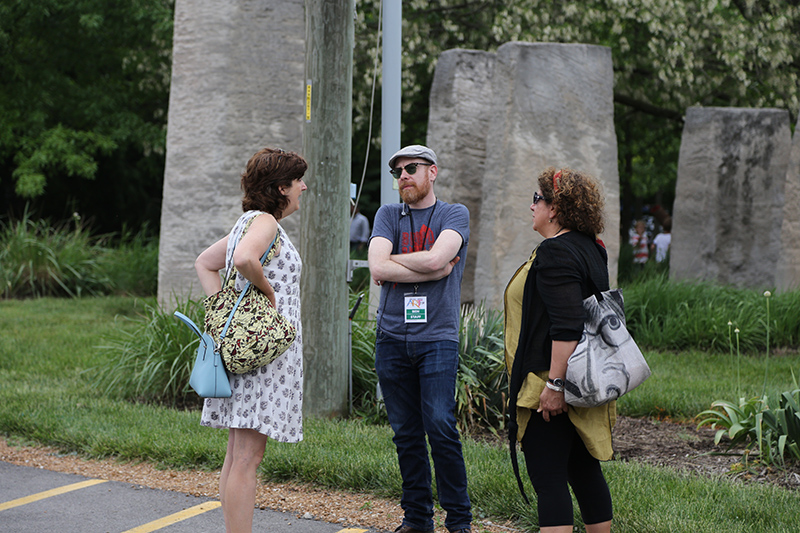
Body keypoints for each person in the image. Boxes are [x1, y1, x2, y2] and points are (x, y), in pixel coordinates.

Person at [194, 147, 308, 533]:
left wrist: (222, 311)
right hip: (264, 354)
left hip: (249, 350)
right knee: (248, 457)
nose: (303, 187)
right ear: (281, 188)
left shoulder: (246, 221)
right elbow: (244, 259)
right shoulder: (265, 223)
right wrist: (269, 295)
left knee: (235, 454)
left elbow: (205, 262)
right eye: (297, 182)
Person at [368, 144, 472, 533]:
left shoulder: (453, 213)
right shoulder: (386, 215)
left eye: (411, 168)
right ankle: (417, 520)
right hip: (391, 336)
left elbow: (427, 259)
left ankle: (459, 522)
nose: (404, 176)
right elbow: (379, 265)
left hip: (437, 338)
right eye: (397, 172)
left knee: (441, 426)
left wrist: (403, 264)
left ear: (433, 172)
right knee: (406, 434)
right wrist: (433, 270)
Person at [504, 167, 614, 533]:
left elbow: (567, 325)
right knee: (582, 468)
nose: (531, 206)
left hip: (549, 380)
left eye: (537, 199)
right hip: (586, 379)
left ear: (554, 209)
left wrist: (554, 387)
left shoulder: (555, 252)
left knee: (549, 478)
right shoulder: (592, 248)